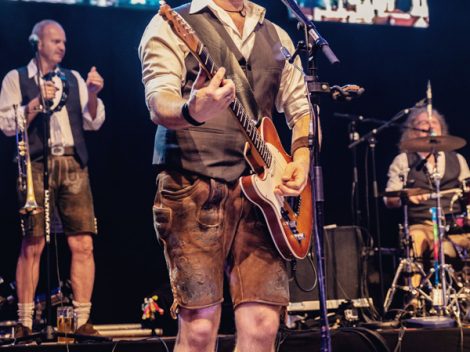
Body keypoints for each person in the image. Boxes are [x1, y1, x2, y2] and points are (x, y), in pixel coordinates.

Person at [139, 0, 313, 350]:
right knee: (201, 327)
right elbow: (159, 102)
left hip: (264, 196)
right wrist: (192, 110)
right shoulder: (172, 24)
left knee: (264, 324)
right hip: (193, 187)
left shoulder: (276, 35)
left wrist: (302, 155)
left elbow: (301, 107)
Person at [0, 19, 105, 337]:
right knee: (33, 243)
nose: (62, 46)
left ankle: (82, 320)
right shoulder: (16, 78)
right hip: (36, 163)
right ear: (38, 43)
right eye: (55, 41)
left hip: (73, 162)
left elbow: (93, 121)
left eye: (64, 41)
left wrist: (92, 93)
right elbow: (7, 125)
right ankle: (25, 321)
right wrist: (35, 103)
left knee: (82, 242)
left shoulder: (72, 78)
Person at [384, 107, 470, 288]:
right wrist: (405, 197)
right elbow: (389, 199)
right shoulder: (403, 160)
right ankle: (414, 299)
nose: (430, 125)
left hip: (453, 224)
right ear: (412, 130)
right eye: (423, 122)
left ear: (441, 129)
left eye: (434, 122)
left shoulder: (458, 159)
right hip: (422, 224)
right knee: (415, 239)